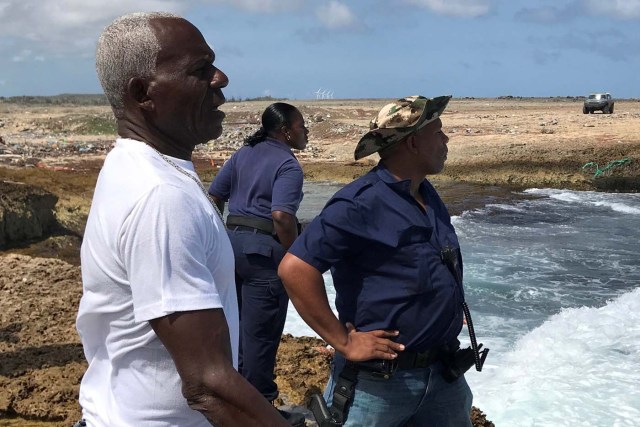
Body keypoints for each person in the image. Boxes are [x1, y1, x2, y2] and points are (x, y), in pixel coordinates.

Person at [76, 12, 289, 426]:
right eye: (201, 69)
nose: (221, 78)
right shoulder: (161, 198)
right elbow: (207, 385)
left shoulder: (135, 166)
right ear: (144, 93)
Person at [279, 95, 477, 426]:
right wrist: (343, 342)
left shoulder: (426, 194)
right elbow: (295, 268)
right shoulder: (359, 204)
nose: (446, 139)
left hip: (443, 376)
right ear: (413, 142)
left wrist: (448, 309)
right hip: (379, 386)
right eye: (438, 131)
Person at [208, 103, 308, 427]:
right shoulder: (288, 165)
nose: (306, 131)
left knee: (236, 333)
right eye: (302, 125)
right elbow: (281, 216)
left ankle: (236, 407)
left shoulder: (242, 154)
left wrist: (221, 235)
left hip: (230, 248)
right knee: (261, 338)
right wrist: (294, 254)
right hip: (264, 257)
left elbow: (214, 196)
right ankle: (260, 411)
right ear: (286, 131)